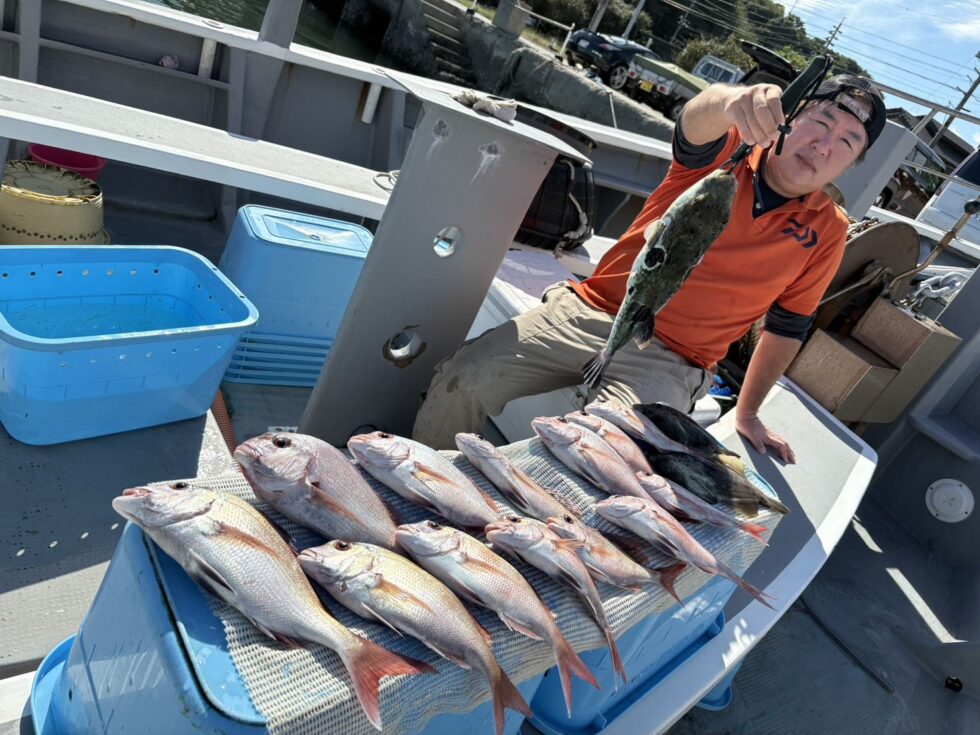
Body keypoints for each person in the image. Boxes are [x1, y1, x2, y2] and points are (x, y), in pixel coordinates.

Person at [412, 75, 886, 462]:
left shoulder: (828, 231)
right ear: (789, 118)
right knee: (464, 377)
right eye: (820, 123)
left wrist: (747, 413)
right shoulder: (728, 154)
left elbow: (787, 328)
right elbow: (695, 122)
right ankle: (425, 482)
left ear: (852, 164)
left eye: (846, 142)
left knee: (604, 455)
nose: (825, 145)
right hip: (595, 310)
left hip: (676, 360)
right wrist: (732, 101)